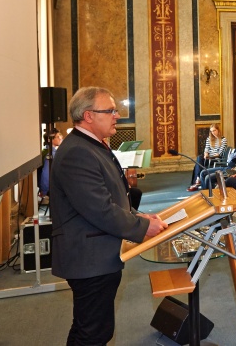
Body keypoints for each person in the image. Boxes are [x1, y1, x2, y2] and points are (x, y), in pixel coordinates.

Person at [50, 87, 167, 345]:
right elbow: (99, 209)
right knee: (91, 333)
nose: (117, 116)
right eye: (110, 111)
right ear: (88, 116)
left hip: (96, 253)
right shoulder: (78, 152)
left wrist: (139, 215)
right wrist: (141, 227)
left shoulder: (90, 145)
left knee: (93, 329)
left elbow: (114, 195)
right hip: (88, 257)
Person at [188, 123, 227, 191]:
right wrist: (206, 154)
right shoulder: (209, 138)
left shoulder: (223, 139)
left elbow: (219, 153)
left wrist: (210, 156)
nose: (213, 133)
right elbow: (206, 149)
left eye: (214, 130)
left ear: (218, 130)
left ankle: (197, 180)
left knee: (199, 161)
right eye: (211, 131)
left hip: (216, 158)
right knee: (200, 158)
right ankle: (198, 179)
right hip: (209, 157)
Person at [39, 127, 62, 204]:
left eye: (60, 136)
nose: (60, 138)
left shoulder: (45, 151)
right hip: (52, 188)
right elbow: (46, 174)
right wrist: (44, 190)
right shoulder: (51, 154)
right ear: (50, 140)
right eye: (57, 137)